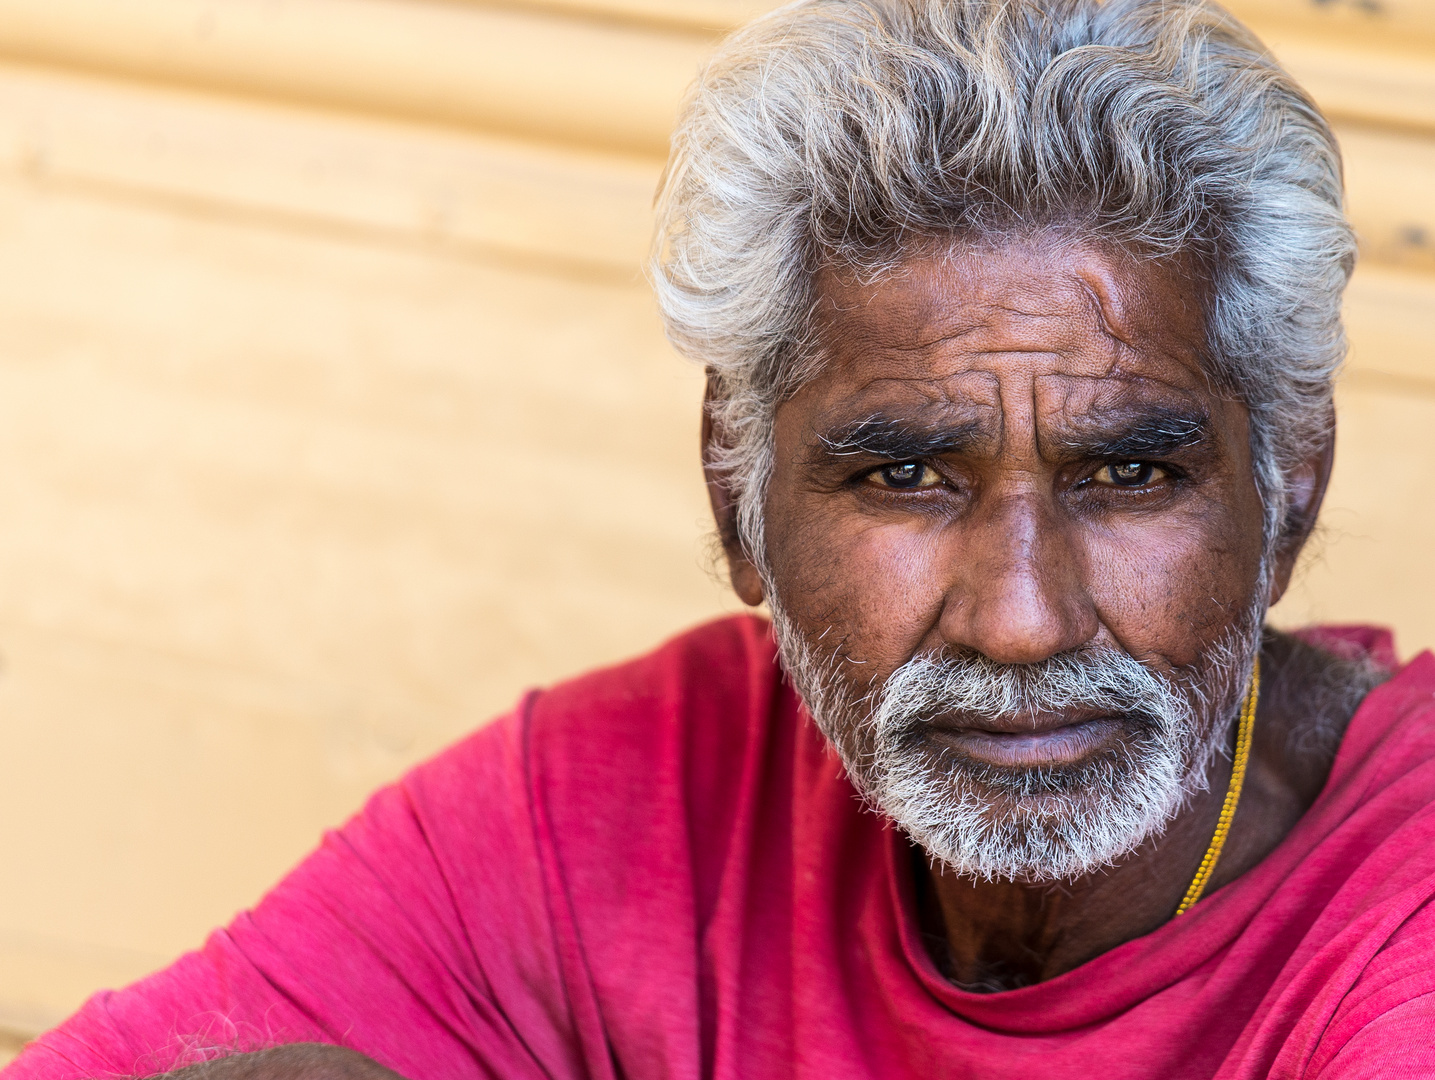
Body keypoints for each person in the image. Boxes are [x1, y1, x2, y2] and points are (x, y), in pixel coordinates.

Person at [8, 0, 1434, 1076]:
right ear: (735, 492)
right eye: (906, 479)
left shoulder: (1404, 913)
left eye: (1126, 473)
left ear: (1291, 489)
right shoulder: (628, 800)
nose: (1021, 619)